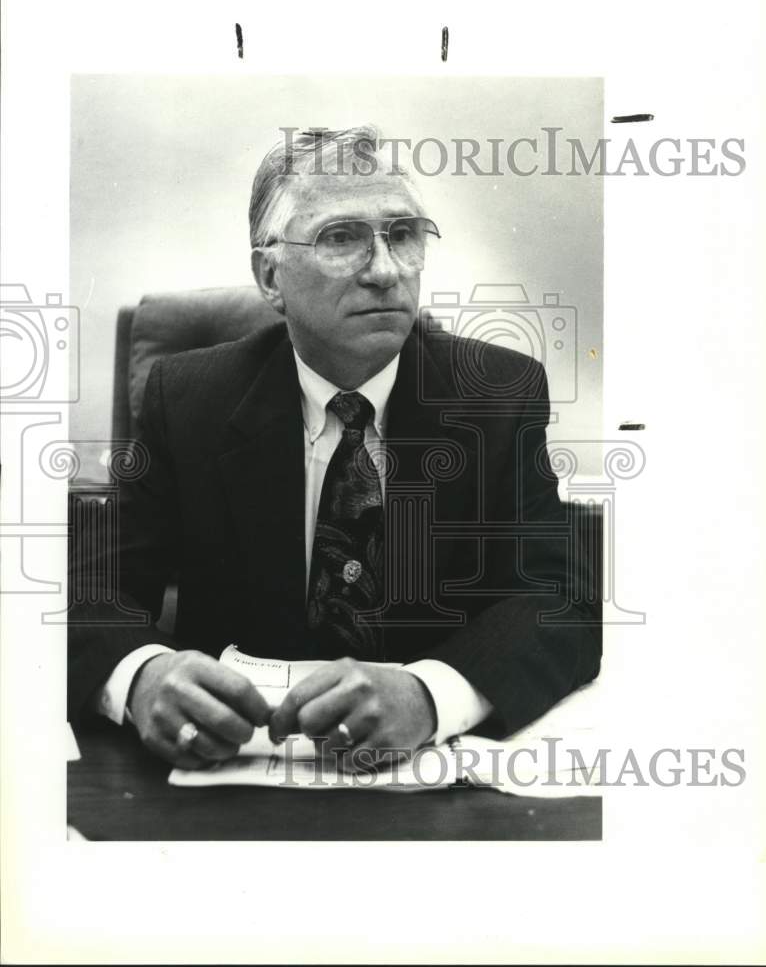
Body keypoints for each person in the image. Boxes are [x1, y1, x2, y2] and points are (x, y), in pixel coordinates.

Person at [68, 126, 601, 771]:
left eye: (403, 234)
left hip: (429, 779)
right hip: (227, 769)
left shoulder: (497, 394)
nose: (384, 270)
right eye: (340, 237)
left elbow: (558, 596)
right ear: (271, 276)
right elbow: (94, 591)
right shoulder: (186, 398)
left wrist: (431, 695)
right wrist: (142, 676)